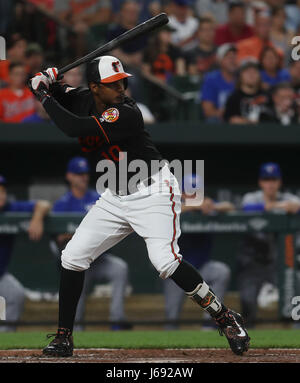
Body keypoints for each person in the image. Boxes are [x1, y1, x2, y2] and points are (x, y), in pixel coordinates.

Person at [29, 55, 250, 357]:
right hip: (115, 195)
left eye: (123, 82)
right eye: (112, 84)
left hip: (153, 192)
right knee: (73, 257)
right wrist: (48, 81)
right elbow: (59, 93)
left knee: (166, 262)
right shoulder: (81, 97)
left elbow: (73, 128)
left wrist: (43, 93)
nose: (121, 87)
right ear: (94, 87)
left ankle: (224, 316)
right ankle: (64, 337)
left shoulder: (127, 111)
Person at [51, 157, 130, 331]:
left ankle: (117, 321)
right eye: (79, 174)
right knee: (74, 289)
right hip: (80, 263)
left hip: (100, 258)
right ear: (69, 176)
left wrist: (78, 232)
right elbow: (59, 238)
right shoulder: (63, 204)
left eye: (85, 174)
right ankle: (74, 329)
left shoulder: (98, 198)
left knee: (120, 268)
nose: (84, 177)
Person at [163, 174, 232, 329]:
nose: (193, 195)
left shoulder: (206, 206)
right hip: (177, 271)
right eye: (189, 191)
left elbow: (230, 206)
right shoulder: (173, 206)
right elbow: (171, 210)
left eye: (196, 191)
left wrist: (213, 206)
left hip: (202, 268)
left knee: (221, 271)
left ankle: (209, 325)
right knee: (171, 319)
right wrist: (195, 206)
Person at [238, 163, 300, 327]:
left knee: (295, 295)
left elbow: (296, 204)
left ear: (279, 182)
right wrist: (275, 208)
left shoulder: (290, 199)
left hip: (280, 264)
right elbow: (245, 207)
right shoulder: (252, 198)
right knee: (247, 302)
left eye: (273, 180)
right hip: (254, 263)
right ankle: (246, 337)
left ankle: (296, 334)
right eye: (266, 180)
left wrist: (294, 207)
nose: (270, 184)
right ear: (261, 182)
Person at [0, 175, 51, 332]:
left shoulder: (11, 207)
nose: (1, 194)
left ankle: (4, 339)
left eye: (2, 190)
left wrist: (36, 218)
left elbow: (44, 204)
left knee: (16, 294)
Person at [201, 43, 238, 122]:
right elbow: (208, 111)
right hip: (221, 121)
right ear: (219, 60)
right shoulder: (211, 79)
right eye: (228, 57)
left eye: (234, 56)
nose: (232, 60)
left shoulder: (242, 77)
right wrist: (228, 115)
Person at [224, 60, 267, 124]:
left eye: (255, 72)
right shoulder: (233, 98)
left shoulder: (267, 96)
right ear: (240, 76)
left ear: (259, 76)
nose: (251, 75)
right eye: (247, 72)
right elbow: (228, 120)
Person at [106, 1, 145, 67]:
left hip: (142, 67)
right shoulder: (113, 31)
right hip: (120, 66)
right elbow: (113, 51)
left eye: (134, 12)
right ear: (122, 12)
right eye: (129, 12)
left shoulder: (144, 29)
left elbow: (147, 49)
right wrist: (129, 60)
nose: (132, 14)